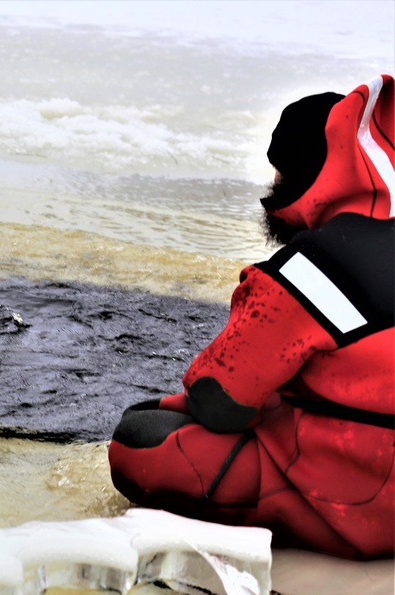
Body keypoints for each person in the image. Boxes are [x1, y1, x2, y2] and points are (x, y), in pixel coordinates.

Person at [107, 74, 394, 560]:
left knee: (139, 439)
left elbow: (219, 400)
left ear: (313, 174)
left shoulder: (309, 267)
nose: (272, 189)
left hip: (362, 499)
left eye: (280, 173)